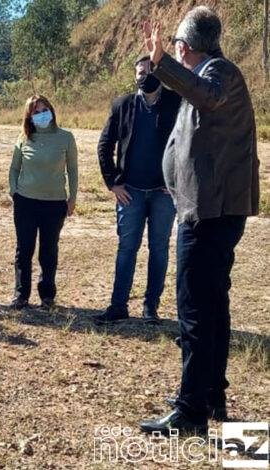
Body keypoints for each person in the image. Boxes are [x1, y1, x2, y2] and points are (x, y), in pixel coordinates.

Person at [138, 7, 260, 435]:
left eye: (174, 47)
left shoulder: (219, 72)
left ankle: (190, 412)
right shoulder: (210, 75)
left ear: (183, 47)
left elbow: (205, 95)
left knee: (194, 311)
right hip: (204, 209)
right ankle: (210, 397)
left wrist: (160, 64)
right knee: (210, 309)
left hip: (209, 215)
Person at [93, 56, 181, 325]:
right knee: (126, 249)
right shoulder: (123, 105)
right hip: (129, 191)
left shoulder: (176, 103)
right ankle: (118, 305)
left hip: (162, 194)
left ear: (160, 74)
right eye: (140, 72)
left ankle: (150, 308)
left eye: (149, 71)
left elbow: (189, 144)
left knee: (159, 250)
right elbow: (105, 145)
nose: (144, 76)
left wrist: (177, 182)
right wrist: (112, 183)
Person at [8, 95, 78, 310]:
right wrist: (14, 191)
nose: (41, 114)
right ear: (29, 116)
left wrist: (72, 198)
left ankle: (47, 295)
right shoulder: (24, 138)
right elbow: (14, 168)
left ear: (52, 110)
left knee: (48, 250)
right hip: (26, 202)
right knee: (24, 249)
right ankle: (21, 294)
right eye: (36, 112)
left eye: (44, 109)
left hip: (54, 203)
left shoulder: (65, 138)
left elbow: (72, 170)